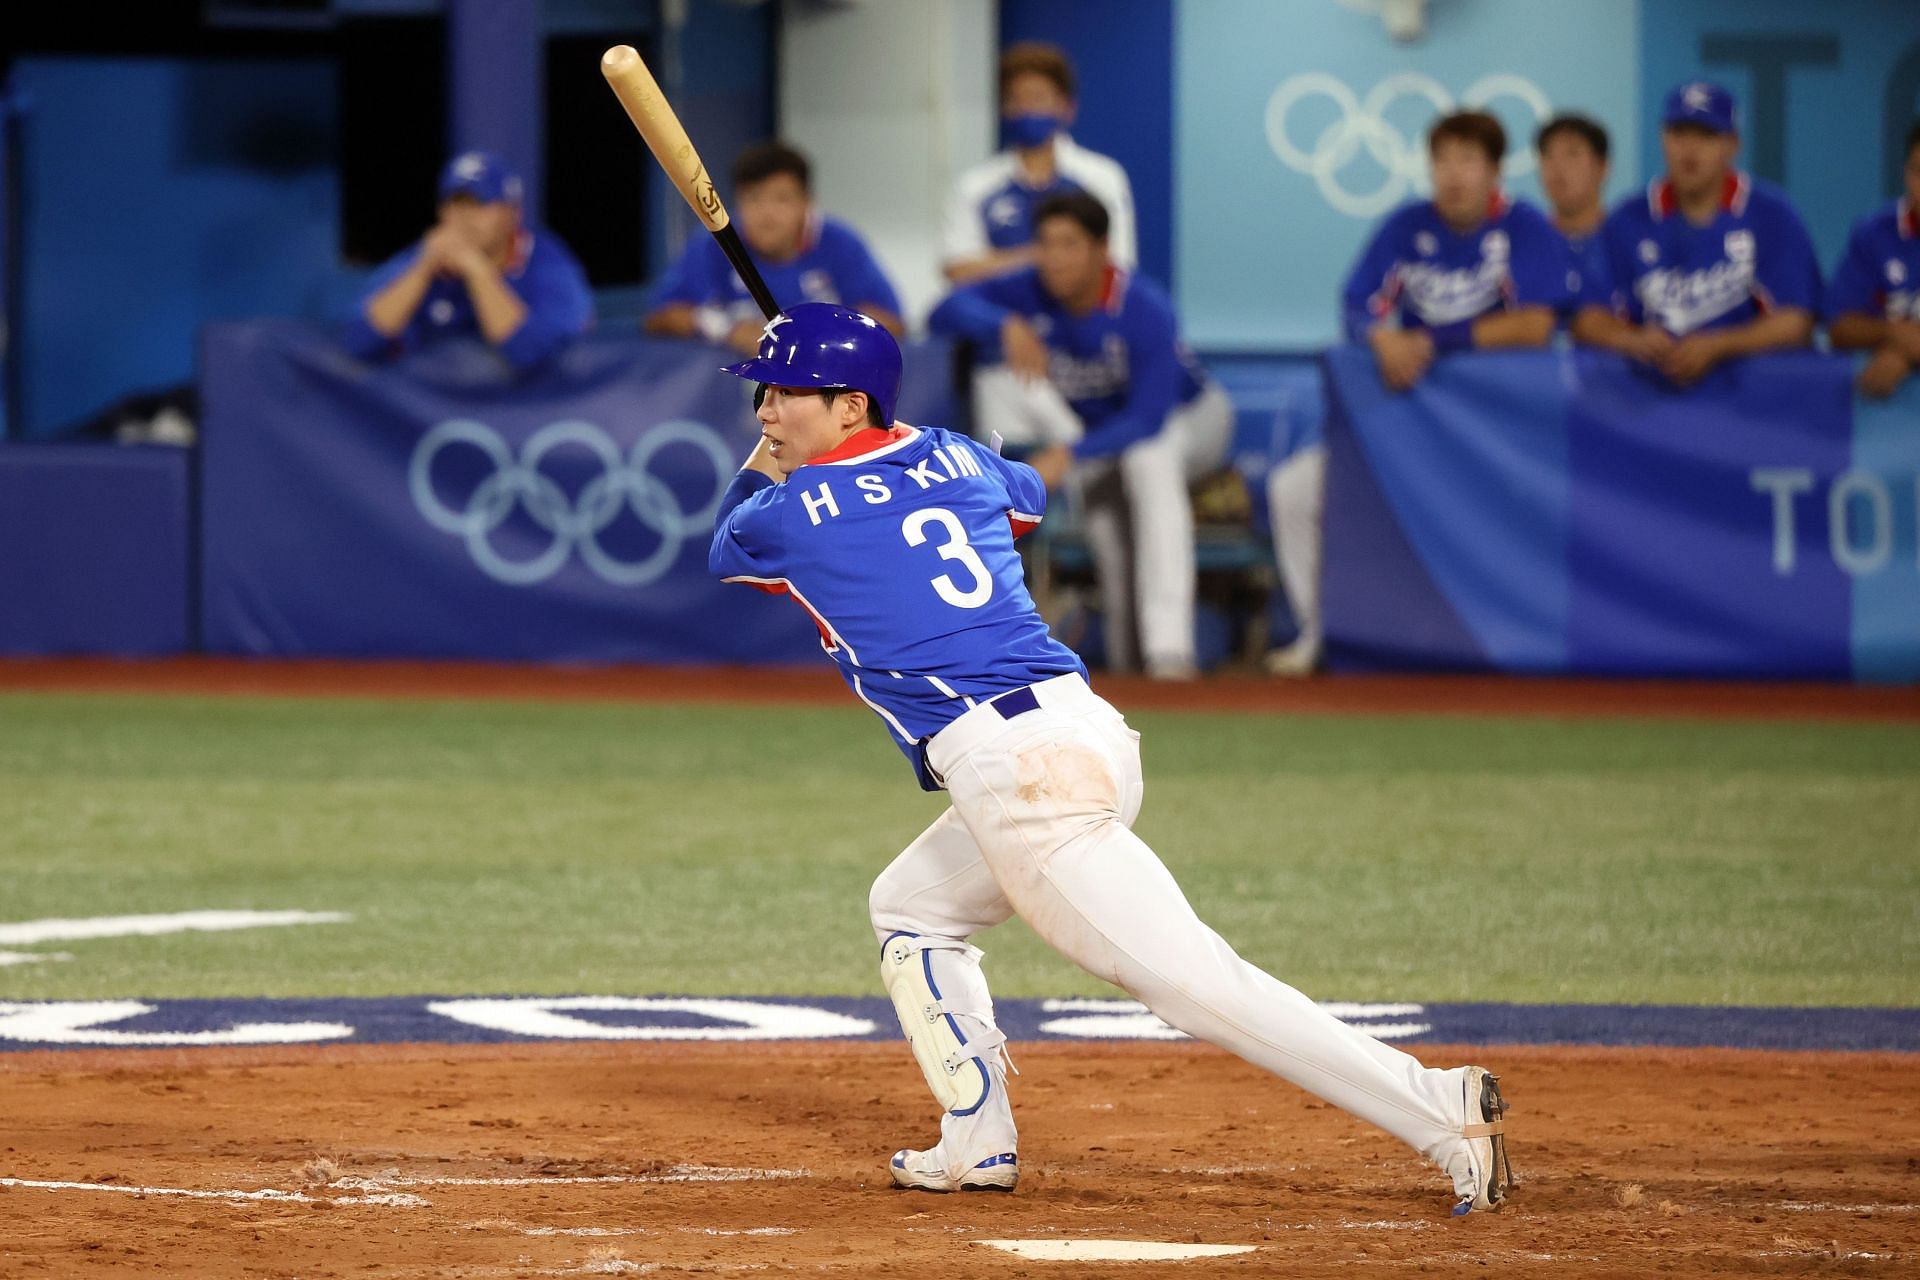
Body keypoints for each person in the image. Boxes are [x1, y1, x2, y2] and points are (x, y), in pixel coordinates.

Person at [706, 301, 1516, 1217]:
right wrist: (902, 450)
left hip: (1017, 774)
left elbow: (727, 548)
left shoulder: (791, 516)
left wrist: (769, 467)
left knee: (1196, 983)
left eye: (786, 394)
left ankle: (1440, 1109)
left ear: (850, 405)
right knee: (911, 907)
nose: (766, 411)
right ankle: (976, 1139)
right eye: (766, 395)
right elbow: (1027, 498)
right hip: (1083, 732)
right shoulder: (958, 456)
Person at [927, 192, 1232, 680]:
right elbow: (943, 310)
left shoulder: (1142, 307)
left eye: (1070, 244)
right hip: (1108, 436)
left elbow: (1149, 418)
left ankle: (1171, 653)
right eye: (1045, 244)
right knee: (1108, 533)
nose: (1054, 258)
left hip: (1190, 421)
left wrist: (1069, 453)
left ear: (1101, 249)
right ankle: (1135, 666)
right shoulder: (1030, 289)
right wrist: (1002, 322)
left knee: (1147, 462)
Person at [1571, 82, 1820, 385]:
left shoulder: (1771, 214)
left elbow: (1796, 322)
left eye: (1706, 136)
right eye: (1679, 134)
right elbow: (1587, 318)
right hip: (1647, 407)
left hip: (1753, 409)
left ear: (1733, 144)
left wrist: (1717, 346)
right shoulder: (1628, 218)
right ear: (1663, 139)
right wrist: (1630, 339)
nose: (1689, 149)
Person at [1343, 110, 1571, 392]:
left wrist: (1429, 340)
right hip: (1421, 387)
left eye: (1467, 159)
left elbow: (1535, 325)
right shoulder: (1404, 225)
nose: (1453, 174)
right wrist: (1381, 338)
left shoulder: (1524, 224)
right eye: (1442, 160)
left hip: (1504, 391)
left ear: (1495, 170)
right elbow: (1356, 304)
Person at [340, 151, 592, 372]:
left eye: (479, 204)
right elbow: (353, 346)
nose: (463, 217)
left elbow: (532, 355)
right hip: (434, 418)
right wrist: (422, 270)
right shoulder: (424, 257)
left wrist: (478, 272)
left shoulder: (545, 260)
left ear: (512, 213)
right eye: (454, 204)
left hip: (529, 417)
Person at [644, 141, 903, 353]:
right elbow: (660, 317)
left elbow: (892, 324)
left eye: (782, 199)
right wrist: (725, 328)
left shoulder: (840, 243)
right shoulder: (714, 243)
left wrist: (813, 335)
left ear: (806, 203)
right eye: (754, 199)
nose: (767, 214)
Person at [942, 42, 1137, 284]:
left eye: (1038, 98)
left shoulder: (1101, 177)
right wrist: (1041, 257)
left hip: (1079, 317)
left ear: (1067, 107)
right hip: (1003, 318)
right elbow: (958, 270)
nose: (1026, 109)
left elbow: (1117, 266)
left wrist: (997, 261)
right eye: (1015, 99)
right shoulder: (974, 185)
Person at [1826, 121, 1920, 399]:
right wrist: (1895, 334)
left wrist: (1905, 354)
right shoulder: (1876, 231)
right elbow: (1839, 326)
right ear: (1906, 175)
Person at [1535, 113, 1612, 307]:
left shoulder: (1627, 244)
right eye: (1548, 155)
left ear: (1602, 167)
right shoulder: (1525, 244)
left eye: (1572, 154)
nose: (1557, 167)